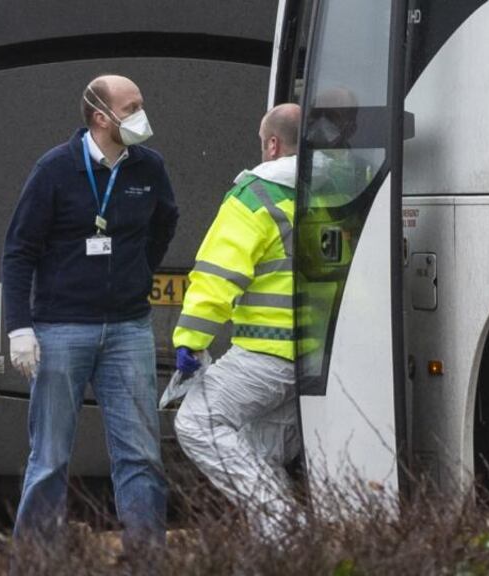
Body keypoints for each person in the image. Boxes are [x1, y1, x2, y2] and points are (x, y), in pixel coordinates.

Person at [1, 74, 178, 548]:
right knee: (50, 458)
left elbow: (165, 222)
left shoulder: (149, 168)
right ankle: (36, 561)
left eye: (141, 104)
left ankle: (147, 560)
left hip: (128, 329)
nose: (142, 115)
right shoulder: (55, 169)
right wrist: (19, 328)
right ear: (101, 117)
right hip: (61, 329)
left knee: (141, 455)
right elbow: (19, 251)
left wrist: (137, 272)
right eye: (131, 107)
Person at [172, 103, 302, 539]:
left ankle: (286, 525)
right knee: (258, 449)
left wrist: (191, 340)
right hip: (319, 357)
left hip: (266, 353)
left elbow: (218, 274)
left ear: (272, 144)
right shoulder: (334, 190)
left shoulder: (255, 195)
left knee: (196, 422)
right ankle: (283, 548)